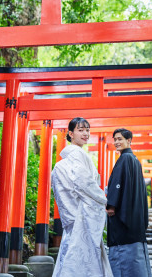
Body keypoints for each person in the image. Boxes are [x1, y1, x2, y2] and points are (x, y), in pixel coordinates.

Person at [51, 117, 113, 277]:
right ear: (70, 133)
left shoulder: (64, 161)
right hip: (82, 216)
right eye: (80, 130)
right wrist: (104, 201)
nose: (85, 133)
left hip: (72, 216)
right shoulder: (77, 155)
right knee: (84, 261)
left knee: (71, 255)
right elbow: (84, 184)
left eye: (87, 130)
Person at [106, 128, 151, 277]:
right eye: (115, 139)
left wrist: (111, 205)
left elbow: (117, 184)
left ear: (129, 141)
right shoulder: (134, 160)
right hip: (135, 217)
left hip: (123, 217)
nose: (117, 142)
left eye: (120, 139)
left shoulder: (124, 159)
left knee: (122, 260)